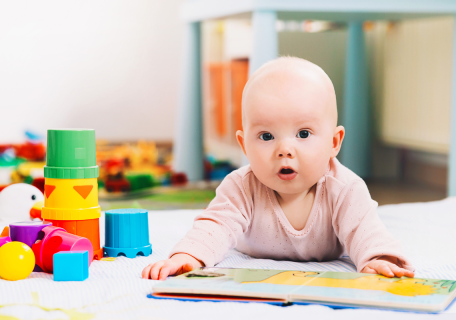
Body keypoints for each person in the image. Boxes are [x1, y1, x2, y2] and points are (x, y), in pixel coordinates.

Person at [142, 57, 415, 281]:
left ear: (334, 142)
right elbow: (215, 225)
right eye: (266, 136)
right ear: (244, 145)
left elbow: (364, 230)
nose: (284, 149)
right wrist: (189, 256)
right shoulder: (241, 186)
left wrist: (380, 259)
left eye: (304, 134)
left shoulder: (345, 189)